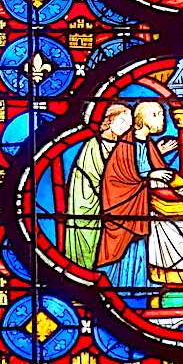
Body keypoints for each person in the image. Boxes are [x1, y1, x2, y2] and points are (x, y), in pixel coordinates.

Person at [95, 102, 178, 305]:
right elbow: (117, 179)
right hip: (123, 206)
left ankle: (140, 284)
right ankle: (115, 287)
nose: (162, 118)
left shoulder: (147, 143)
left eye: (161, 113)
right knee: (125, 247)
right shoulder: (126, 145)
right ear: (141, 120)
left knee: (140, 244)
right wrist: (151, 175)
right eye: (156, 114)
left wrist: (177, 186)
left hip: (140, 205)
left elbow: (157, 169)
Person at [63, 103, 131, 269]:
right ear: (108, 121)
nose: (127, 128)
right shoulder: (93, 145)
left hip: (111, 202)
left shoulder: (123, 147)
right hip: (89, 204)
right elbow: (98, 177)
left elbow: (127, 173)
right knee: (87, 245)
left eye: (129, 125)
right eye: (122, 122)